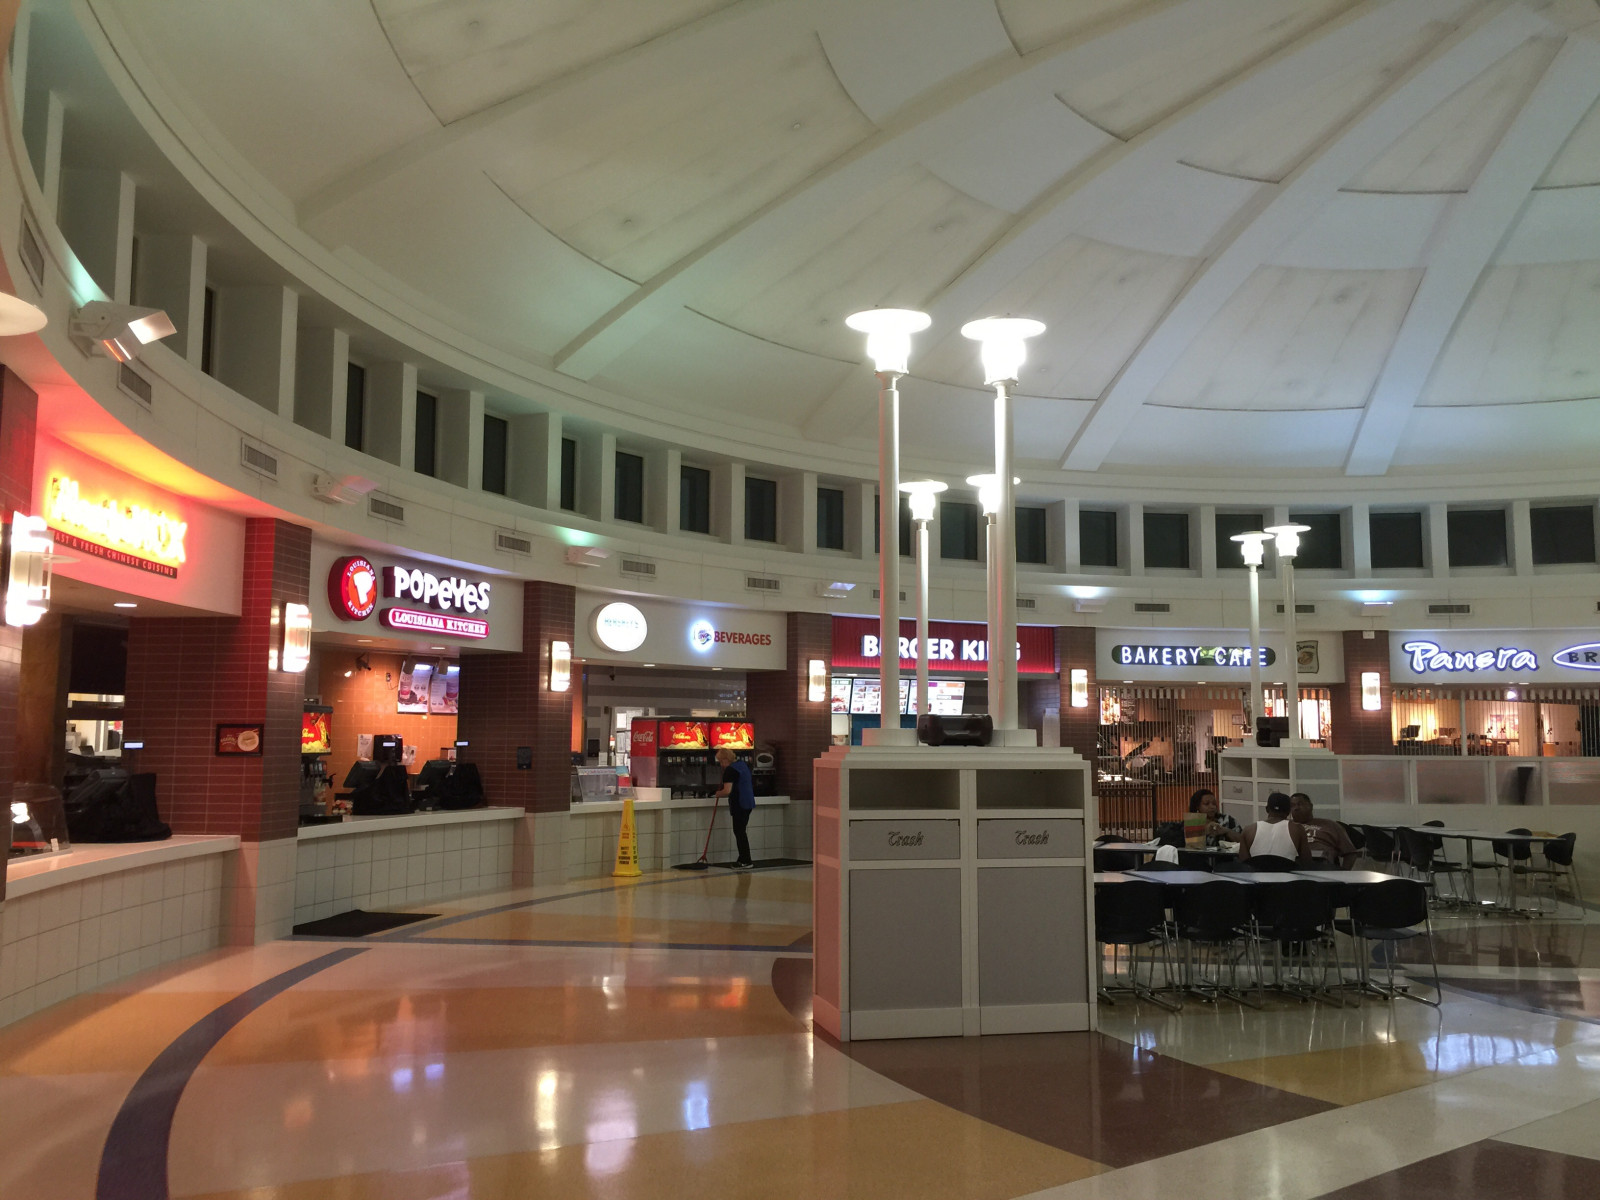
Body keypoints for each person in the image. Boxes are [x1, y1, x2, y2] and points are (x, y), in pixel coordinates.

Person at [1289, 793, 1358, 869]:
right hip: (1291, 863)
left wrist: (1343, 873)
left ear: (1311, 806)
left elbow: (1350, 853)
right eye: (1292, 805)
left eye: (1300, 804)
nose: (1296, 808)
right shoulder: (1286, 825)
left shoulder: (1331, 825)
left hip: (1321, 864)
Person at [714, 748, 755, 868]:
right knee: (741, 831)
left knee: (739, 832)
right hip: (748, 802)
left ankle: (746, 860)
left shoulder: (730, 770)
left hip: (739, 804)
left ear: (725, 759)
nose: (721, 765)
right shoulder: (742, 765)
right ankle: (743, 858)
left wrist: (718, 793)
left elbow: (727, 791)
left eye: (721, 761)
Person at [1240, 791, 1308, 864]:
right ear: (1289, 811)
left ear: (1267, 809)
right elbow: (1307, 863)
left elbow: (1243, 864)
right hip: (1287, 871)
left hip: (1257, 871)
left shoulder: (1248, 830)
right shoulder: (1298, 829)